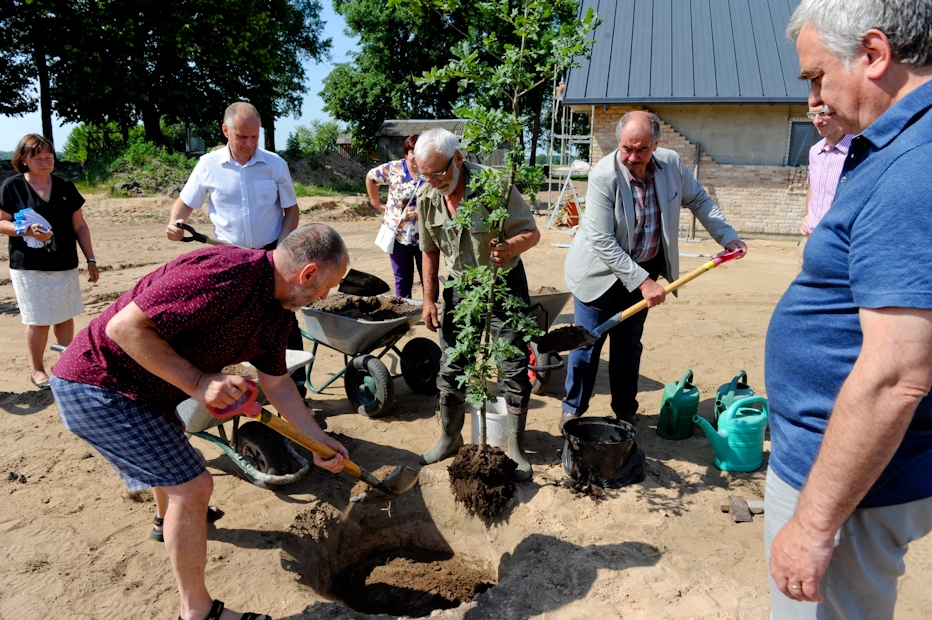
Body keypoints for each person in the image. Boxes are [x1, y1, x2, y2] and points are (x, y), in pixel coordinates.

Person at [50, 223, 350, 620]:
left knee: (174, 467)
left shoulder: (278, 315)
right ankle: (198, 612)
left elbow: (277, 384)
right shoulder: (223, 272)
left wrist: (316, 439)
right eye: (328, 285)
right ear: (307, 273)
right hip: (99, 385)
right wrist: (197, 381)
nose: (326, 296)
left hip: (149, 393)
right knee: (193, 487)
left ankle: (164, 522)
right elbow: (122, 328)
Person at [765, 1, 932, 617]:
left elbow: (895, 376)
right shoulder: (895, 146)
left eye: (815, 76)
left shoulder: (915, 169)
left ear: (874, 53)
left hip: (849, 491)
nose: (812, 96)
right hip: (844, 474)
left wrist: (812, 528)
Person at [560, 111, 746, 430]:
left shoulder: (671, 164)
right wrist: (644, 282)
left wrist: (727, 236)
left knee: (628, 346)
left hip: (643, 271)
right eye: (626, 148)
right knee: (586, 346)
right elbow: (602, 240)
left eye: (641, 149)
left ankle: (624, 412)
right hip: (599, 275)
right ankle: (572, 410)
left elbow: (700, 200)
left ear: (656, 144)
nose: (632, 157)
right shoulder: (604, 175)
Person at [414, 128, 540, 480]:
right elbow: (429, 251)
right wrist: (428, 300)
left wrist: (511, 247)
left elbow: (532, 232)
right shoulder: (427, 197)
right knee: (452, 364)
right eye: (425, 174)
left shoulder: (495, 186)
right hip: (459, 287)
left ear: (457, 158)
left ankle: (515, 447)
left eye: (438, 172)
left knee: (512, 367)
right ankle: (448, 439)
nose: (433, 181)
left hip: (503, 285)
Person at [164, 102, 308, 399]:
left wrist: (281, 249)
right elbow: (184, 204)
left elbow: (291, 211)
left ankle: (296, 387)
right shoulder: (208, 165)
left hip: (271, 255)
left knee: (282, 321)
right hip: (229, 258)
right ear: (225, 131)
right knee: (232, 320)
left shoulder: (274, 164)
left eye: (255, 137)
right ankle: (243, 389)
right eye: (242, 137)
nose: (250, 144)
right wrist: (176, 223)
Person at [0, 133, 99, 390]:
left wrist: (90, 259)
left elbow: (79, 225)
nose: (45, 162)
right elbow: (2, 222)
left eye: (49, 157)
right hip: (28, 266)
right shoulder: (12, 186)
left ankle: (63, 366)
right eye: (38, 158)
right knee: (37, 319)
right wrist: (25, 231)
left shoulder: (66, 185)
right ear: (23, 160)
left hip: (64, 262)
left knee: (65, 316)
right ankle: (37, 369)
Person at [366, 135, 433, 299]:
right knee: (402, 277)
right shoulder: (393, 168)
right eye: (413, 152)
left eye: (421, 152)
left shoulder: (432, 170)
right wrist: (376, 203)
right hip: (398, 236)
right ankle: (405, 311)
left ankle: (430, 309)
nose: (417, 157)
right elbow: (371, 177)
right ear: (406, 153)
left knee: (429, 276)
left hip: (427, 235)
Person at [798, 104, 853, 270]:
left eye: (822, 114)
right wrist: (807, 217)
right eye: (812, 115)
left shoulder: (858, 151)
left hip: (840, 247)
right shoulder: (815, 151)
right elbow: (812, 187)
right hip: (810, 241)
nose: (816, 121)